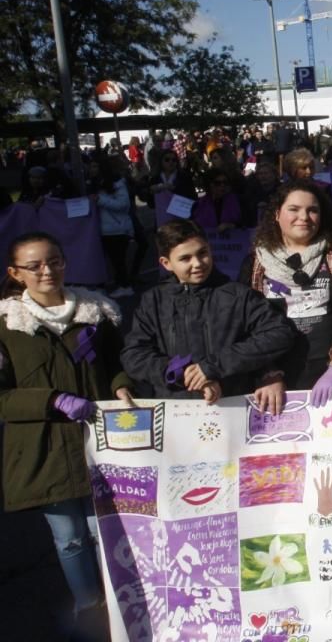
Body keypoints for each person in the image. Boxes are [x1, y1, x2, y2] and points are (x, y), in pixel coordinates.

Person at [0, 232, 136, 625]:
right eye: (34, 265)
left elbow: (115, 364)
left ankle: (118, 599)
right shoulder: (7, 325)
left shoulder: (95, 312)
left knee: (106, 532)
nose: (47, 271)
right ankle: (87, 603)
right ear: (16, 273)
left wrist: (119, 384)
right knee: (70, 538)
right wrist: (50, 400)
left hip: (98, 444)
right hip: (44, 451)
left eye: (54, 261)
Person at [123, 220, 296, 410]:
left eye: (202, 253)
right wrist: (180, 373)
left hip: (233, 405)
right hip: (176, 411)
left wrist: (213, 367)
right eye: (185, 259)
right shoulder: (153, 301)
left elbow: (279, 333)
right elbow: (134, 354)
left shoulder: (238, 295)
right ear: (166, 263)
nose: (197, 264)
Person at [243, 181, 332, 404]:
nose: (304, 217)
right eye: (294, 209)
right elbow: (247, 325)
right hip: (276, 382)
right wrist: (268, 373)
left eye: (312, 210)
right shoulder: (256, 263)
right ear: (277, 214)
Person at [89, 155, 136, 297]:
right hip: (103, 228)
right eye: (91, 166)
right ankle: (114, 283)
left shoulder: (117, 184)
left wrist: (100, 200)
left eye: (95, 166)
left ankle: (125, 286)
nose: (91, 169)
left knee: (118, 260)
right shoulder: (94, 183)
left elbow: (123, 205)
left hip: (117, 228)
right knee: (110, 259)